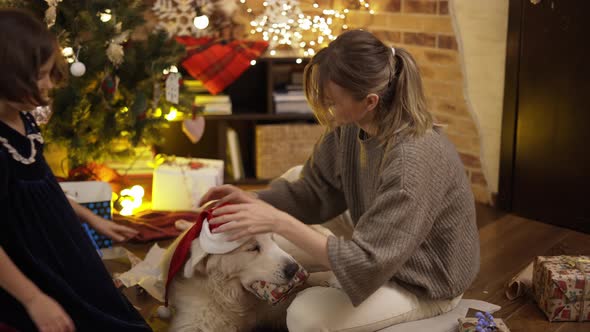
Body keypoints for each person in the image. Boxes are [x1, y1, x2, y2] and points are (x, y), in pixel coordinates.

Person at [200, 29, 480, 331]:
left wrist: (277, 221)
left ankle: (346, 286)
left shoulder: (411, 162)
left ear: (370, 101)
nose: (324, 105)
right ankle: (331, 274)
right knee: (266, 230)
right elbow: (314, 191)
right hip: (380, 245)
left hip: (423, 280)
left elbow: (368, 263)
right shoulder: (351, 125)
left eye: (331, 100)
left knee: (305, 316)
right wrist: (253, 202)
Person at [0, 9, 150, 332]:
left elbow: (40, 187)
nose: (48, 85)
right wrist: (32, 299)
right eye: (38, 77)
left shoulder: (23, 119)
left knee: (112, 310)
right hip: (29, 268)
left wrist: (90, 217)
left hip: (63, 246)